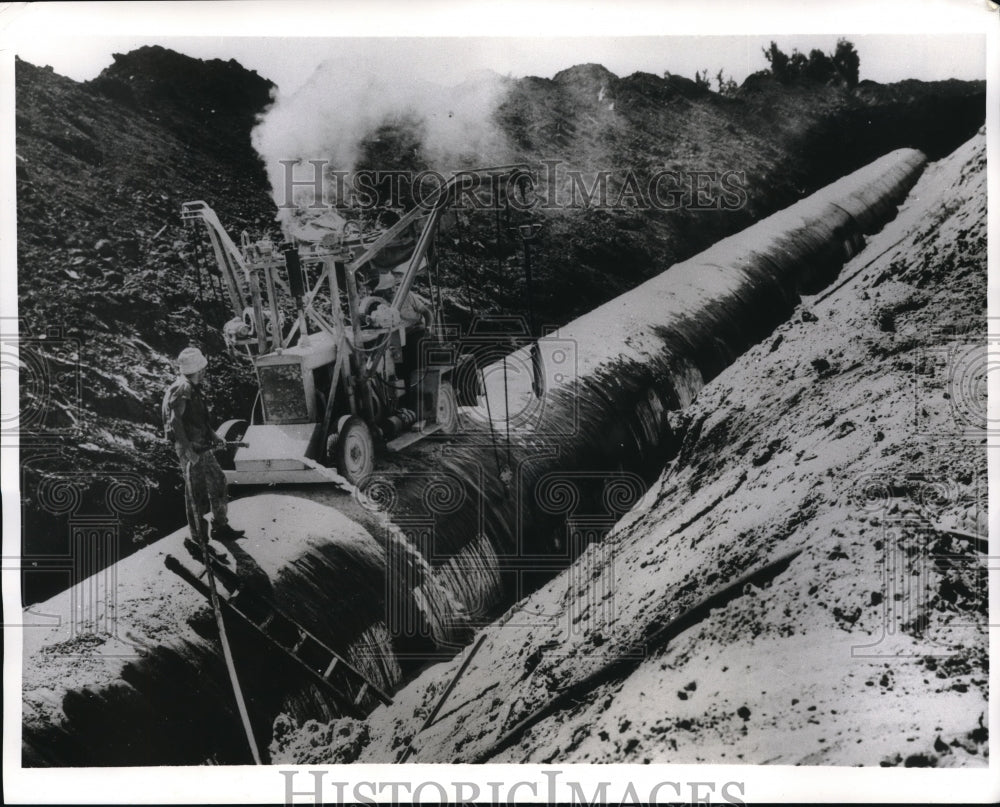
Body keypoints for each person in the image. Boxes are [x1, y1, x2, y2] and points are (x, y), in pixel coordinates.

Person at [161, 347, 245, 542]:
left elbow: (197, 420)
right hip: (191, 448)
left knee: (218, 481)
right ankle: (199, 540)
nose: (205, 372)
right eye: (203, 368)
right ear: (199, 369)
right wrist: (188, 450)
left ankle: (220, 526)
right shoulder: (183, 388)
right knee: (196, 493)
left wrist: (214, 436)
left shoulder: (190, 387)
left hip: (201, 446)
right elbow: (175, 421)